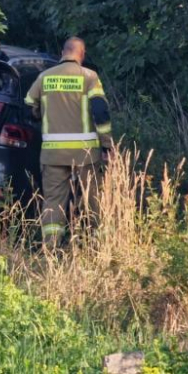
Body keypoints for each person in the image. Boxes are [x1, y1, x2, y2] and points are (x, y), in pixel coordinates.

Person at [24, 37, 112, 247]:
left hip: (53, 154)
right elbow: (100, 112)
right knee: (94, 201)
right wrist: (107, 144)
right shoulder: (90, 77)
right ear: (81, 54)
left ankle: (51, 248)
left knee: (53, 202)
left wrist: (39, 115)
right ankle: (99, 247)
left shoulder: (44, 77)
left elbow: (28, 106)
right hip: (86, 154)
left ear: (63, 52)